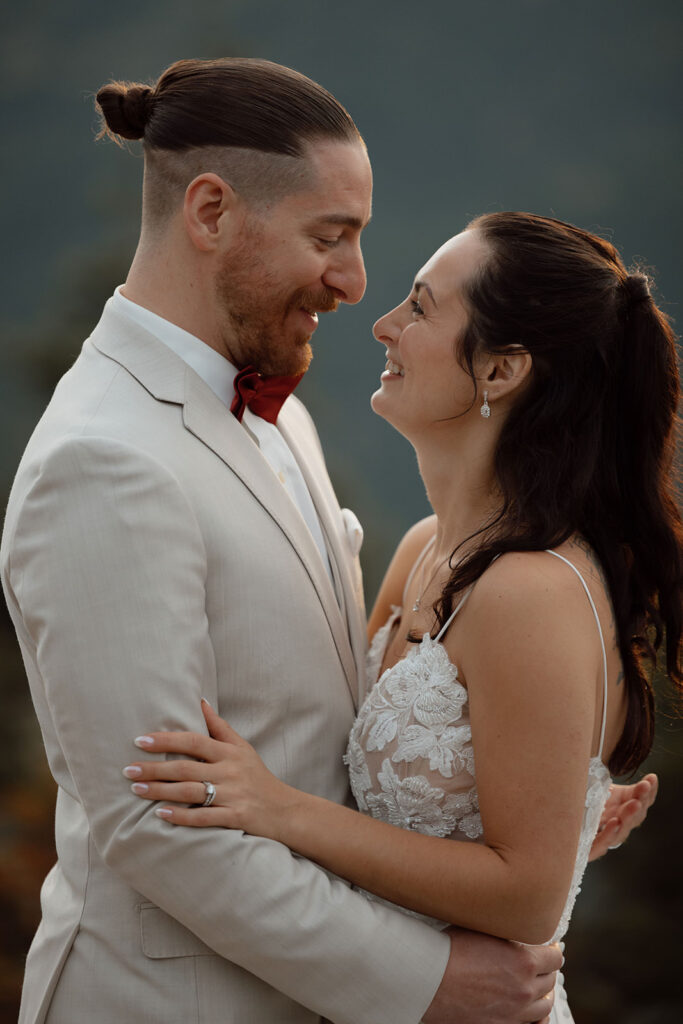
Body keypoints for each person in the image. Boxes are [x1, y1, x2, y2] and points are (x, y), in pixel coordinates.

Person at [4, 57, 574, 1024]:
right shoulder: (101, 459)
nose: (354, 282)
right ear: (212, 212)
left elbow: (321, 738)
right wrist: (424, 980)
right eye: (330, 236)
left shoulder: (280, 412)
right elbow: (161, 825)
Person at [123, 213, 680, 1023]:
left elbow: (526, 898)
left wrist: (277, 807)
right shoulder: (427, 548)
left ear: (499, 370)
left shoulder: (528, 591)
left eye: (419, 308)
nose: (383, 324)